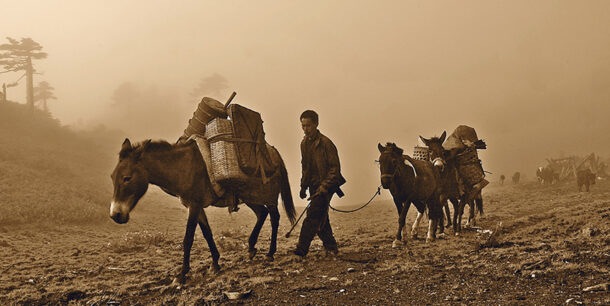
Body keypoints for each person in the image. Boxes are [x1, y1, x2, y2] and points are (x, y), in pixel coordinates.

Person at [293, 110, 346, 258]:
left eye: (308, 125)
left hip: (327, 186)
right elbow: (305, 167)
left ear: (316, 124)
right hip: (312, 186)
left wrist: (324, 187)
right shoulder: (304, 144)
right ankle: (331, 247)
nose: (305, 129)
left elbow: (335, 170)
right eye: (302, 126)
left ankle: (301, 249)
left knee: (312, 215)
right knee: (321, 216)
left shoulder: (326, 144)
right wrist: (303, 187)